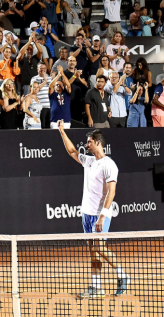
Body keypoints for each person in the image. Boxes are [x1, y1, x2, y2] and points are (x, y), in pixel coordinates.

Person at [56, 122, 129, 298]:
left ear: (97, 142)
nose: (86, 145)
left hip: (100, 214)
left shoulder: (109, 164)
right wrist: (62, 132)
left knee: (100, 247)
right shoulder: (88, 161)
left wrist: (103, 216)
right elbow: (72, 151)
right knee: (93, 250)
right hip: (86, 213)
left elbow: (112, 191)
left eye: (89, 142)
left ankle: (122, 274)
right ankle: (96, 287)